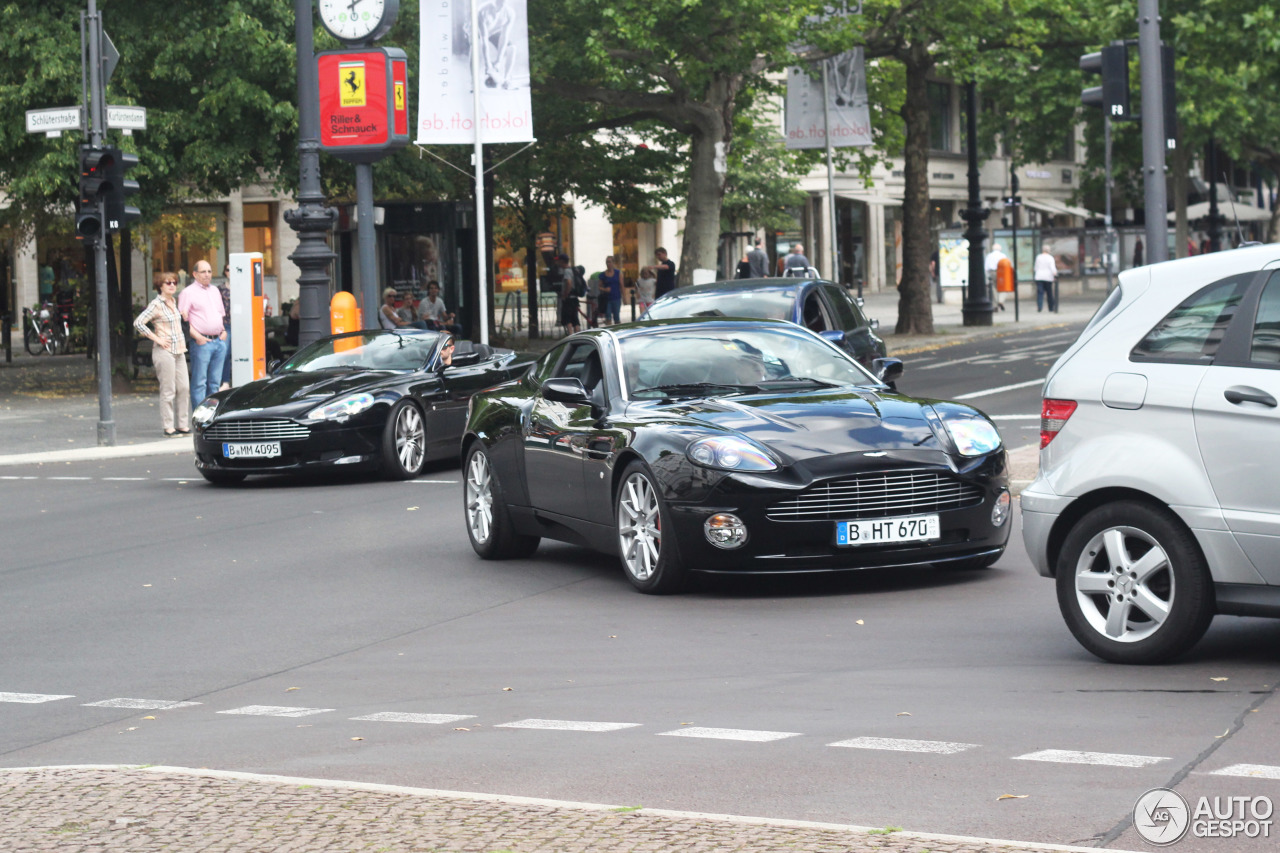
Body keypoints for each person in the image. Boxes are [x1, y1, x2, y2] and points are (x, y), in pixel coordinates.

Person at [135, 272, 190, 436]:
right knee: (168, 390)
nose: (172, 285)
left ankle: (182, 424)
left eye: (174, 282)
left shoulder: (174, 301)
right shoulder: (156, 304)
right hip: (164, 351)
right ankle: (168, 426)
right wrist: (156, 338)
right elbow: (138, 323)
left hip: (179, 349)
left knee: (184, 387)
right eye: (168, 283)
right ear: (160, 286)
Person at [178, 261, 228, 410]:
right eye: (203, 272)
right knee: (200, 382)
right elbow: (183, 320)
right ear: (195, 274)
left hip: (219, 341)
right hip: (202, 342)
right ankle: (199, 416)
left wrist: (223, 330)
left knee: (215, 382)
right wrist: (197, 337)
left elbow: (220, 314)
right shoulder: (188, 292)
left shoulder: (215, 290)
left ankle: (212, 415)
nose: (207, 275)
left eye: (209, 271)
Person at [218, 264, 233, 390]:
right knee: (226, 353)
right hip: (226, 324)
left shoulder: (243, 287)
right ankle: (225, 381)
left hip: (241, 325)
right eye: (228, 269)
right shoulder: (220, 289)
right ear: (225, 272)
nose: (230, 272)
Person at [558, 257, 580, 334]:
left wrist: (565, 294)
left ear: (562, 261)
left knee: (568, 319)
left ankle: (571, 336)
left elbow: (569, 283)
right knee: (575, 319)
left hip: (569, 299)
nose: (558, 264)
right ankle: (577, 336)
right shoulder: (573, 270)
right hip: (574, 298)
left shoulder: (567, 271)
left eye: (559, 262)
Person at [1033, 245, 1059, 313]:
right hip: (1048, 277)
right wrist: (1055, 274)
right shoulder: (1050, 258)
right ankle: (1051, 307)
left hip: (1039, 277)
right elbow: (1052, 267)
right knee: (1049, 293)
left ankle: (1040, 307)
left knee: (1040, 293)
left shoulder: (1038, 257)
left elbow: (1035, 267)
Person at [984, 243, 1008, 311]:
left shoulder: (989, 255)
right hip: (1001, 272)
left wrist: (987, 276)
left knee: (993, 289)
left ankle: (995, 305)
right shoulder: (1003, 255)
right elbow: (1006, 265)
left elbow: (986, 267)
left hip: (991, 272)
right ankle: (1000, 301)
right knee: (1003, 288)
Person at [600, 255, 624, 325]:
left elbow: (621, 285)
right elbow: (599, 287)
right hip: (607, 299)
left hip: (616, 297)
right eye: (607, 262)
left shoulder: (618, 273)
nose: (608, 264)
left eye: (610, 262)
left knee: (617, 318)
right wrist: (604, 289)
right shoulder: (603, 275)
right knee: (608, 318)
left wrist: (624, 297)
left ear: (613, 263)